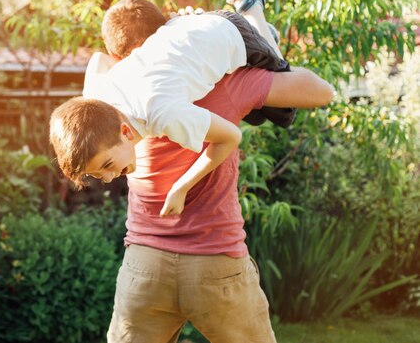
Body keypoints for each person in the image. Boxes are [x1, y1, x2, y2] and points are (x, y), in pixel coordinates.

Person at [106, 64, 334, 343]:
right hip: (215, 261)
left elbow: (100, 58)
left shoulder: (124, 85)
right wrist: (263, 53)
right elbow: (321, 92)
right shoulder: (227, 82)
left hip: (145, 264)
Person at [50, 0, 295, 217]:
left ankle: (252, 11)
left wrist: (181, 188)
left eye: (106, 166)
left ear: (126, 132)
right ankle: (264, 38)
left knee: (284, 111)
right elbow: (98, 59)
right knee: (257, 116)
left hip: (229, 31)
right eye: (98, 175)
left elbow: (231, 136)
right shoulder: (97, 97)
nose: (108, 178)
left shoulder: (162, 113)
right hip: (181, 28)